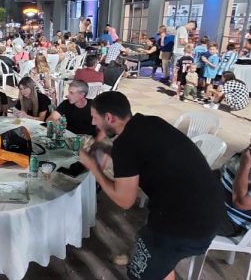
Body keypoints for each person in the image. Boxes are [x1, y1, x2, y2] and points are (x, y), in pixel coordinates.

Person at [81, 91, 225, 280]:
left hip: (185, 224)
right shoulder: (150, 122)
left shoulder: (126, 144)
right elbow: (148, 157)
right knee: (157, 260)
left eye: (94, 118)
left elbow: (125, 200)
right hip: (211, 210)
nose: (93, 123)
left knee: (139, 273)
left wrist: (92, 166)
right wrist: (107, 149)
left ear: (109, 117)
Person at [172, 20, 196, 84]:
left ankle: (175, 82)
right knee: (177, 69)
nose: (191, 30)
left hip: (179, 52)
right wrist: (189, 45)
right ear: (191, 25)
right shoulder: (183, 30)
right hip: (179, 52)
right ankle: (174, 83)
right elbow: (182, 41)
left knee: (177, 69)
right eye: (192, 29)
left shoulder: (182, 29)